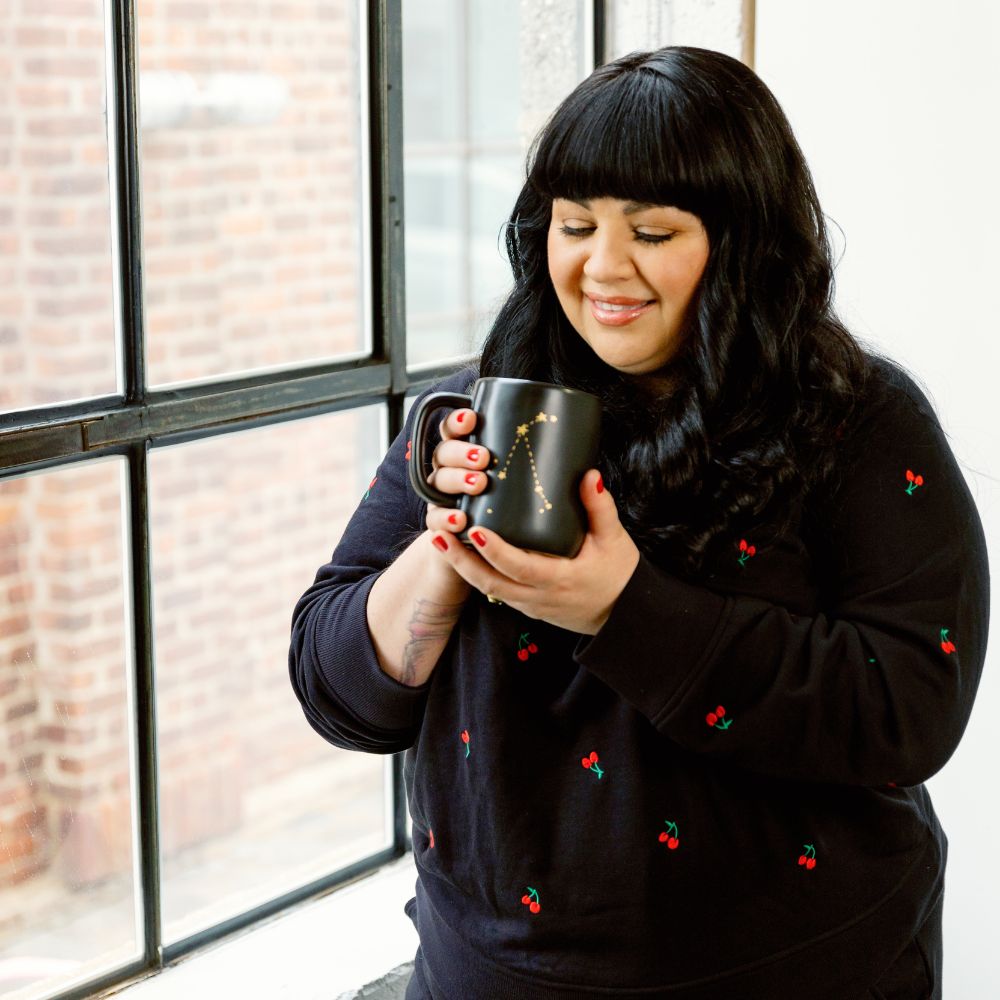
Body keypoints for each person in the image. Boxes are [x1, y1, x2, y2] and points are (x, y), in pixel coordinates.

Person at [289, 46, 989, 999]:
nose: (602, 267)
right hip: (491, 973)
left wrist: (623, 609)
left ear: (744, 240)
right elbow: (337, 691)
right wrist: (447, 549)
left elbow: (912, 705)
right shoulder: (481, 411)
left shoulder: (855, 417)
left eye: (652, 232)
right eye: (575, 225)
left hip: (809, 969)